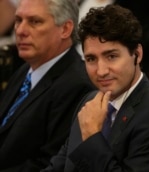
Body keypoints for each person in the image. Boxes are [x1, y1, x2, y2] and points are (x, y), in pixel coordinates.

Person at [42, 4, 149, 172]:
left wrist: (92, 136)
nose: (101, 71)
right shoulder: (90, 100)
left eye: (111, 56)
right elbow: (58, 166)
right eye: (91, 59)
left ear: (137, 54)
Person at [0, 0, 96, 171]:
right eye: (18, 20)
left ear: (65, 29)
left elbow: (49, 164)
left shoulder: (78, 86)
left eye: (35, 22)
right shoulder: (26, 70)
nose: (21, 31)